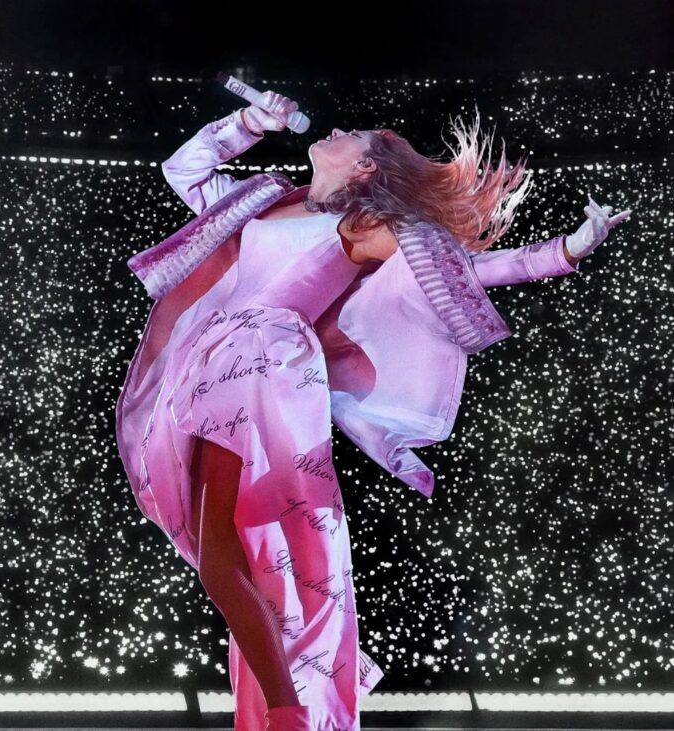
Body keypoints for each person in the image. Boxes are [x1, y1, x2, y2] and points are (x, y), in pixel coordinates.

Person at [113, 91, 630, 731]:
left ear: (364, 167)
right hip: (212, 361)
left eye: (352, 133)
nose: (336, 128)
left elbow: (465, 270)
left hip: (265, 362)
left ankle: (286, 710)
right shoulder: (263, 198)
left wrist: (565, 252)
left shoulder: (362, 227)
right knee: (221, 546)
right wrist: (250, 122)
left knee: (223, 537)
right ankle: (285, 707)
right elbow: (183, 171)